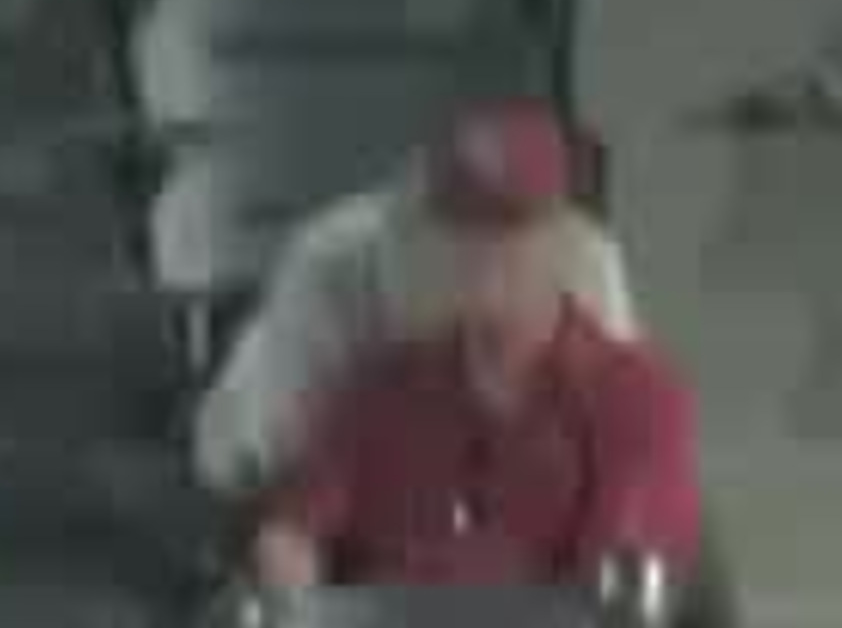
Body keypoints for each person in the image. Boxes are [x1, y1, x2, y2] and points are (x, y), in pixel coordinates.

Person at [193, 103, 647, 504]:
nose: (491, 258)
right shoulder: (329, 267)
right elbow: (287, 471)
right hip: (259, 450)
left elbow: (618, 457)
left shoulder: (589, 264)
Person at [251, 208, 704, 598]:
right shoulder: (380, 388)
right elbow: (299, 520)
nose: (481, 254)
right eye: (463, 237)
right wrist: (288, 553)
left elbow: (616, 582)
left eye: (508, 235)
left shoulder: (637, 395)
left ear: (558, 252)